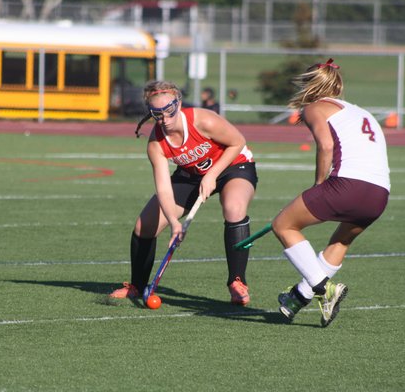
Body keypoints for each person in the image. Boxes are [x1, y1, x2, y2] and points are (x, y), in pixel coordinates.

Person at [109, 80, 258, 305]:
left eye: (169, 111)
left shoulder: (203, 119)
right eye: (157, 114)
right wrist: (174, 223)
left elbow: (237, 142)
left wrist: (212, 175)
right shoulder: (156, 144)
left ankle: (237, 282)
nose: (165, 119)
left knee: (233, 208)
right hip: (191, 175)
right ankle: (137, 286)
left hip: (233, 165)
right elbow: (163, 188)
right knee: (145, 224)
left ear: (178, 103)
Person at [271, 58, 390, 326]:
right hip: (380, 195)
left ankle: (325, 289)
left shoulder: (314, 108)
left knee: (283, 225)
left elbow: (325, 146)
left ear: (310, 85)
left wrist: (318, 184)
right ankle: (297, 298)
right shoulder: (360, 112)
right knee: (341, 241)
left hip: (348, 186)